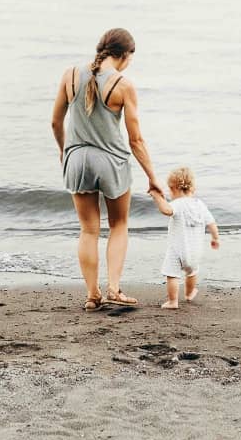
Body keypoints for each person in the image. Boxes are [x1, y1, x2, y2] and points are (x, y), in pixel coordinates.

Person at [51, 28, 165, 311]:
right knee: (119, 225)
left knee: (88, 230)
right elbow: (135, 139)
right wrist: (153, 178)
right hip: (111, 161)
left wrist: (65, 152)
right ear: (124, 56)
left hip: (77, 159)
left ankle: (92, 295)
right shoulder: (123, 85)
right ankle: (114, 288)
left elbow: (55, 122)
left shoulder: (70, 75)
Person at [148, 166, 220, 310]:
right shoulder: (200, 205)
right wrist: (215, 238)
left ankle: (173, 301)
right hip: (195, 250)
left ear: (174, 188)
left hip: (177, 249)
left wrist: (157, 196)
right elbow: (211, 223)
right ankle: (189, 293)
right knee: (192, 272)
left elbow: (166, 210)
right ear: (192, 188)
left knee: (172, 275)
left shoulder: (178, 204)